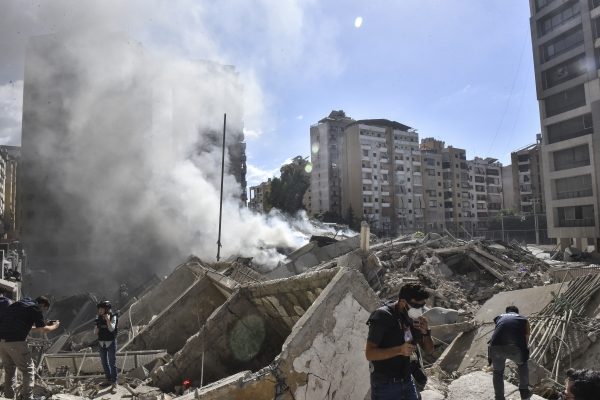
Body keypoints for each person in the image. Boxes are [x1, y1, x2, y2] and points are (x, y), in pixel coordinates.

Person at [365, 283, 434, 400]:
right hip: (385, 385)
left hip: (407, 379)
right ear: (402, 302)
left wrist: (426, 332)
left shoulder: (415, 320)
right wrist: (399, 350)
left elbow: (429, 350)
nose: (419, 310)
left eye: (422, 305)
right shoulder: (383, 316)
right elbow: (369, 353)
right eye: (416, 306)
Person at [0, 296, 60, 400]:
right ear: (42, 305)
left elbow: (28, 327)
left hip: (2, 341)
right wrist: (55, 326)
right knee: (28, 369)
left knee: (9, 370)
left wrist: (43, 324)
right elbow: (44, 330)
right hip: (16, 341)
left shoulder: (18, 304)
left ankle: (8, 397)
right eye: (45, 310)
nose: (43, 312)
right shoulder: (35, 308)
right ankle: (26, 397)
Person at [489, 305, 531, 400]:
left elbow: (498, 332)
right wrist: (524, 353)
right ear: (517, 312)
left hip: (495, 347)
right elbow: (526, 339)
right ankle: (524, 391)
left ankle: (499, 397)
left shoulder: (499, 317)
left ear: (507, 312)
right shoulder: (524, 320)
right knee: (523, 364)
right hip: (514, 347)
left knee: (498, 372)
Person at [95, 300, 118, 391]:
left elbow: (112, 329)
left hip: (111, 342)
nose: (100, 311)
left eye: (101, 309)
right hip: (101, 343)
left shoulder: (113, 316)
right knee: (104, 362)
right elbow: (95, 331)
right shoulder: (98, 317)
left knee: (112, 363)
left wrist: (108, 320)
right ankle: (108, 379)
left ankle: (114, 382)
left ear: (107, 309)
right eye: (99, 309)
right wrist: (96, 329)